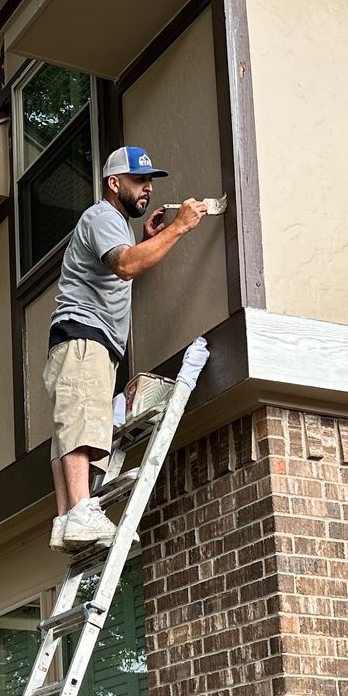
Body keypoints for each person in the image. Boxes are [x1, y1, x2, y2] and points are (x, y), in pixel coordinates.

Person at [44, 147, 209, 551]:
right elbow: (127, 266)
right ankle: (82, 509)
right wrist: (180, 228)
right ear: (114, 183)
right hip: (86, 336)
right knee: (82, 419)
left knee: (72, 424)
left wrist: (148, 240)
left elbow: (124, 263)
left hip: (79, 339)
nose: (148, 188)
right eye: (139, 180)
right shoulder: (102, 216)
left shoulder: (114, 225)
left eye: (150, 181)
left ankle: (68, 518)